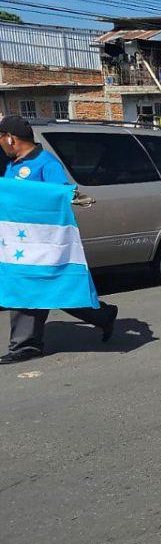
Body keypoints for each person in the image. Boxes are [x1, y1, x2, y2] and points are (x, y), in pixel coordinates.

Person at [0, 114, 118, 364]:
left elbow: (59, 194)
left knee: (50, 288)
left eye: (0, 138)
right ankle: (102, 315)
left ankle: (28, 344)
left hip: (44, 243)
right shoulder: (11, 165)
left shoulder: (45, 163)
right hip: (20, 244)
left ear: (10, 138)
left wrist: (68, 196)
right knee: (37, 289)